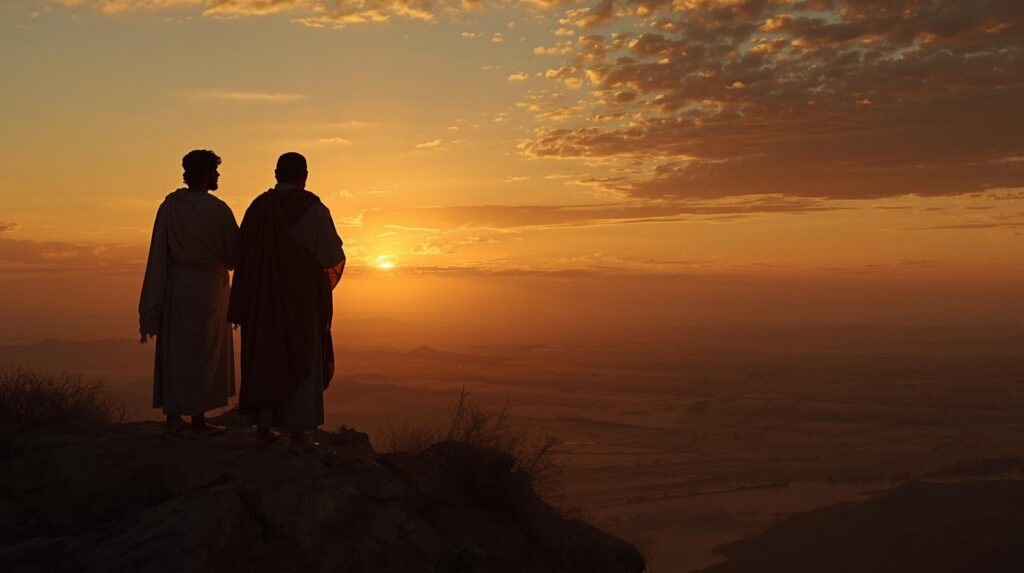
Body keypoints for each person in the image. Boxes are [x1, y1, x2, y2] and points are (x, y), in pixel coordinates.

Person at [228, 152, 345, 451]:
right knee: (300, 357)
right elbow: (331, 256)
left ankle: (263, 428)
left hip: (260, 300)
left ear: (276, 173)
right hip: (300, 301)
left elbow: (242, 253)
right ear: (304, 176)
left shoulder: (257, 209)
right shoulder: (314, 211)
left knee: (265, 357)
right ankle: (298, 433)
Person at [139, 149, 238, 437]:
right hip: (210, 289)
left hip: (178, 285)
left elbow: (159, 250)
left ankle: (174, 416)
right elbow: (235, 253)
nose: (218, 176)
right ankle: (198, 419)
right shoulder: (219, 210)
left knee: (178, 348)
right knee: (205, 352)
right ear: (206, 174)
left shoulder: (171, 207)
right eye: (215, 171)